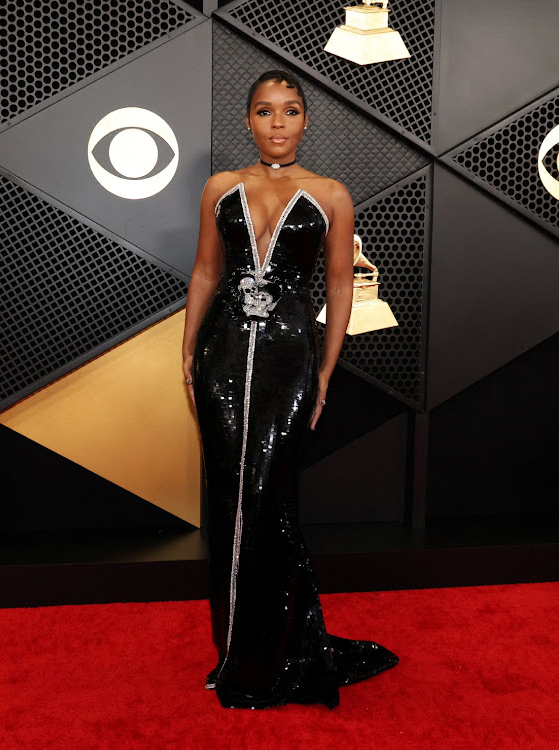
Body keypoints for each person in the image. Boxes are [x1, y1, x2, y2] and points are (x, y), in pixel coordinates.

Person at [182, 69, 399, 709]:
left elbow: (336, 287)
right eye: (264, 111)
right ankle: (235, 653)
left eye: (290, 111)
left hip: (290, 358)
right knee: (228, 499)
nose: (277, 123)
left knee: (269, 497)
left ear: (306, 120)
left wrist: (326, 370)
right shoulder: (221, 187)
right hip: (223, 354)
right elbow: (203, 271)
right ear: (248, 121)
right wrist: (188, 353)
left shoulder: (331, 194)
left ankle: (277, 650)